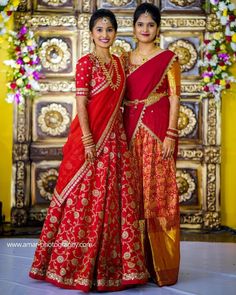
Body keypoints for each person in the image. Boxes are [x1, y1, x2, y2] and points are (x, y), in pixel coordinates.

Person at [29, 9, 148, 291]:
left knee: (115, 202)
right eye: (99, 29)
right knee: (85, 201)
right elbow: (81, 104)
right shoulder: (85, 63)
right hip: (92, 140)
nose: (104, 35)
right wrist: (87, 139)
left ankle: (114, 268)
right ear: (92, 33)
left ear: (115, 33)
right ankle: (73, 267)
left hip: (117, 143)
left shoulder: (120, 64)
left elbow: (128, 101)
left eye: (109, 30)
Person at [122, 3, 181, 287]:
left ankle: (160, 266)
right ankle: (132, 265)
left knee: (158, 194)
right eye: (141, 24)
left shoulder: (168, 59)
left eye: (151, 24)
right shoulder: (123, 59)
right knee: (132, 195)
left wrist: (171, 133)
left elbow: (175, 97)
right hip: (129, 133)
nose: (145, 29)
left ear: (158, 29)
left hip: (158, 133)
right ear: (133, 27)